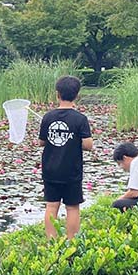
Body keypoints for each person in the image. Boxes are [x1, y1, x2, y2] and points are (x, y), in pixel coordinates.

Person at [38, 75, 93, 239]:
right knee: (72, 207)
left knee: (51, 206)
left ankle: (51, 241)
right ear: (77, 96)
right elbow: (88, 145)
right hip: (71, 171)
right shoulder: (80, 119)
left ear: (57, 94)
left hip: (50, 169)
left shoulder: (48, 117)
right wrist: (74, 140)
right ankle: (71, 241)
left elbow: (42, 142)